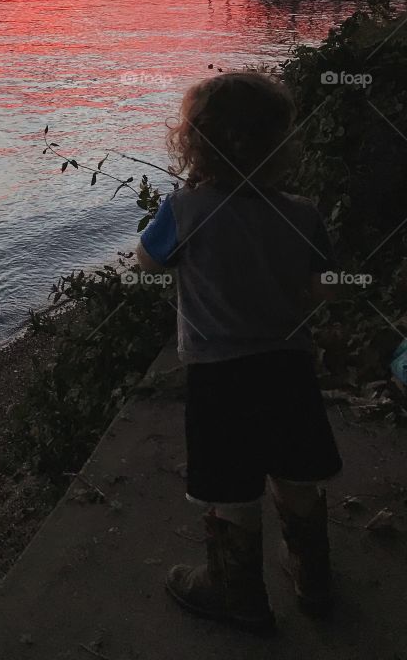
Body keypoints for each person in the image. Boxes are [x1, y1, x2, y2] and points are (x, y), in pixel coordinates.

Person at [137, 70, 342, 632]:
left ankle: (237, 591)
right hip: (289, 368)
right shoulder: (303, 214)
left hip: (220, 377)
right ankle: (313, 578)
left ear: (193, 144)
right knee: (297, 474)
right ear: (281, 144)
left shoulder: (183, 210)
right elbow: (322, 284)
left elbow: (148, 262)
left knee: (230, 489)